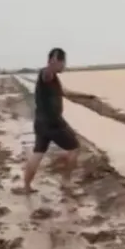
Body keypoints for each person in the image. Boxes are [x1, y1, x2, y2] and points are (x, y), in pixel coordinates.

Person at [19, 47, 96, 194]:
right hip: (53, 123)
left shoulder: (54, 78)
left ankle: (27, 187)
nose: (64, 66)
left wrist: (87, 96)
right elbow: (47, 74)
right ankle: (66, 182)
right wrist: (52, 64)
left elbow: (66, 93)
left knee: (38, 153)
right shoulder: (47, 74)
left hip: (41, 123)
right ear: (56, 61)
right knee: (75, 148)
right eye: (63, 62)